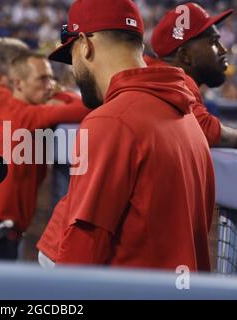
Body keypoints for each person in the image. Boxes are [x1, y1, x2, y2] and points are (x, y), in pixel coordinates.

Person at [37, 0, 215, 271]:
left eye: (71, 55)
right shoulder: (187, 117)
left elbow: (85, 243)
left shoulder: (112, 119)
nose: (73, 70)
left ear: (85, 45)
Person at [0, 38, 90, 260]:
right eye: (41, 78)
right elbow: (83, 106)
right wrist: (59, 95)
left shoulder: (17, 109)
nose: (49, 85)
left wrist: (55, 93)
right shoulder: (8, 104)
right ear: (9, 80)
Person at [146, 2, 237, 148]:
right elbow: (205, 130)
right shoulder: (171, 80)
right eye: (213, 42)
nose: (222, 49)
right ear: (185, 55)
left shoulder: (154, 73)